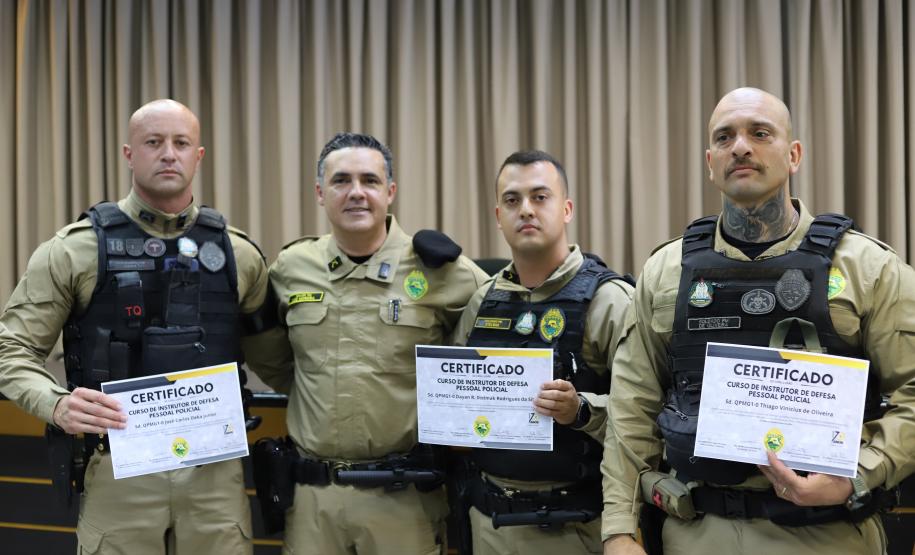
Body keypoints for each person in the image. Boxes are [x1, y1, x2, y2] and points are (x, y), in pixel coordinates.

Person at [600, 87, 915, 555]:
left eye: (760, 133)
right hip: (695, 533)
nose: (741, 147)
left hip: (828, 536)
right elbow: (632, 406)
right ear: (710, 163)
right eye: (724, 137)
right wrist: (619, 530)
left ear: (794, 155)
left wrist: (860, 474)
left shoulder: (866, 267)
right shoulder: (667, 272)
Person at [0, 99, 272, 553]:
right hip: (118, 470)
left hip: (214, 477)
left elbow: (278, 358)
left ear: (198, 156)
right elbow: (11, 350)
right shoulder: (75, 250)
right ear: (129, 154)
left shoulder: (238, 254)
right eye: (153, 142)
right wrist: (56, 403)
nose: (168, 154)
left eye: (181, 143)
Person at [246, 132, 489, 555]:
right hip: (313, 501)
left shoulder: (441, 270)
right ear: (320, 193)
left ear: (390, 192)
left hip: (403, 499)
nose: (356, 192)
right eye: (341, 181)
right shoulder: (292, 267)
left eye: (370, 181)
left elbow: (497, 332)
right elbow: (276, 360)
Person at [450, 150, 634, 554]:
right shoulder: (482, 302)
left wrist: (580, 409)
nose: (526, 210)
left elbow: (645, 416)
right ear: (498, 216)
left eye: (540, 197)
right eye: (512, 200)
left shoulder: (609, 300)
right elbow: (456, 407)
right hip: (489, 524)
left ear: (566, 209)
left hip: (576, 525)